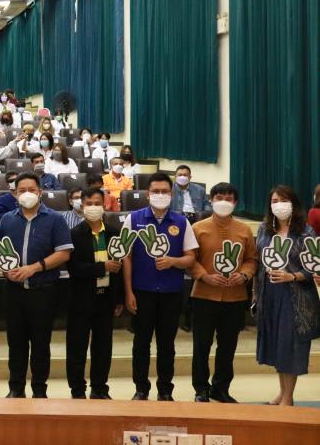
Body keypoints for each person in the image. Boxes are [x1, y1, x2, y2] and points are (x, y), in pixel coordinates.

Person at [0, 172, 73, 399]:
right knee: (16, 343)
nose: (27, 194)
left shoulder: (55, 219)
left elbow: (64, 253)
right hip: (14, 291)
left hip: (44, 291)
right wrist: (5, 269)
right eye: (22, 190)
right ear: (14, 194)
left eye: (32, 190)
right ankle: (16, 388)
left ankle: (39, 389)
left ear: (40, 192)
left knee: (41, 344)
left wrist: (34, 268)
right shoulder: (7, 219)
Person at [122, 172, 198, 401]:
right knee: (141, 343)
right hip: (141, 292)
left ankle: (165, 390)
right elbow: (126, 257)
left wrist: (173, 261)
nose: (160, 195)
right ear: (147, 194)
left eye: (164, 191)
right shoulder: (133, 219)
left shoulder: (181, 222)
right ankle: (141, 389)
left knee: (167, 345)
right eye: (155, 191)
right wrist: (128, 292)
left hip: (171, 293)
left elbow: (191, 258)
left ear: (171, 194)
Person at [189, 182, 258, 403]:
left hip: (235, 297)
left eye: (229, 198)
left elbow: (252, 260)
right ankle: (201, 388)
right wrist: (204, 276)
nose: (223, 202)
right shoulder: (197, 228)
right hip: (204, 295)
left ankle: (221, 388)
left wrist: (244, 275)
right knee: (201, 345)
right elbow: (190, 260)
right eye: (219, 197)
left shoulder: (245, 230)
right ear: (211, 200)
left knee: (228, 346)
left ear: (235, 203)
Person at [254, 185, 319, 406]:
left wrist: (292, 276)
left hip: (295, 296)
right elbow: (258, 262)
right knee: (276, 345)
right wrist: (255, 293)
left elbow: (313, 266)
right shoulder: (264, 229)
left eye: (283, 200)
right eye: (274, 201)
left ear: (293, 204)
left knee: (290, 346)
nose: (279, 205)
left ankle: (288, 397)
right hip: (269, 294)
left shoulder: (306, 231)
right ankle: (282, 392)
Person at [66, 188, 123, 399]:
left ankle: (99, 388)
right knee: (77, 346)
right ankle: (77, 390)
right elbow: (74, 268)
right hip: (81, 298)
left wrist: (119, 298)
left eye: (97, 203)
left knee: (103, 346)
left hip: (106, 298)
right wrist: (102, 267)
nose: (93, 207)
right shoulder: (74, 234)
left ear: (105, 205)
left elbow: (121, 268)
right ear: (82, 206)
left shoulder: (114, 232)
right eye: (89, 203)